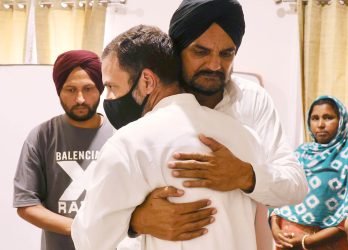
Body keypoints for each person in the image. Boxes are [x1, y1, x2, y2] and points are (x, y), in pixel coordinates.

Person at [71, 24, 267, 250]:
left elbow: (90, 239)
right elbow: (261, 233)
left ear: (147, 82)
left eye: (112, 86)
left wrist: (133, 222)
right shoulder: (246, 137)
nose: (109, 98)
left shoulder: (128, 143)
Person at [127, 0, 308, 241]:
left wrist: (246, 176)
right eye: (200, 51)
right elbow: (103, 206)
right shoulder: (149, 100)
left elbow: (295, 186)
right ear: (176, 51)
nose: (214, 65)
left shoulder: (252, 100)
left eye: (226, 53)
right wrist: (135, 222)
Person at [13, 50, 113, 250]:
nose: (80, 99)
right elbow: (26, 205)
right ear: (59, 90)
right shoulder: (41, 136)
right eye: (70, 89)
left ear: (100, 89)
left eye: (88, 88)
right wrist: (80, 228)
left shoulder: (121, 134)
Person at [270, 96, 348, 250]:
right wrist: (275, 228)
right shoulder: (301, 153)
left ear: (341, 120)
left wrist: (307, 241)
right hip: (288, 240)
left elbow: (347, 215)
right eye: (315, 118)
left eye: (328, 118)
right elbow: (278, 193)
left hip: (329, 242)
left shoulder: (347, 155)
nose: (320, 125)